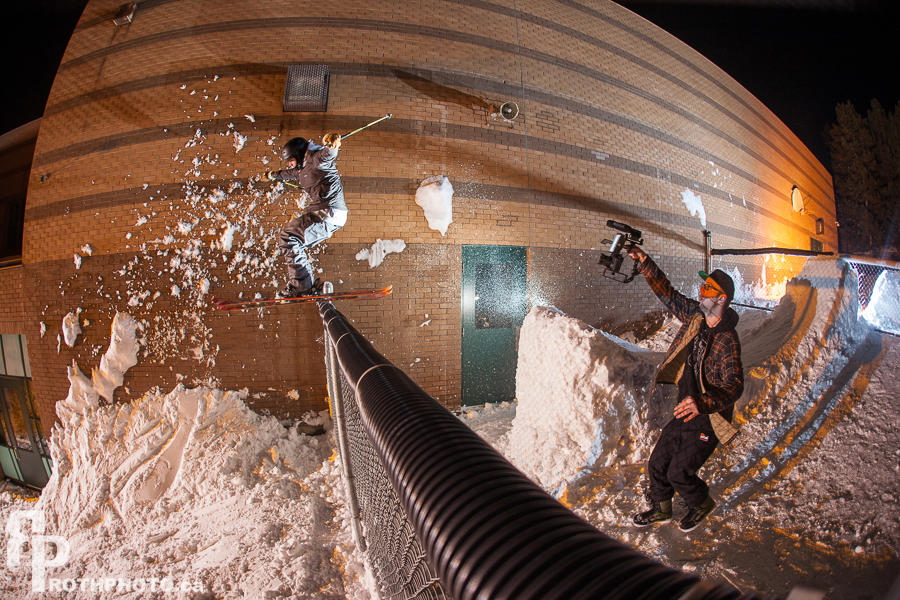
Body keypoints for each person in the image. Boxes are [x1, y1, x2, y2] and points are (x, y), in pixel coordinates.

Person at [627, 246, 743, 532]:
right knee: (657, 463)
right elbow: (668, 295)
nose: (701, 290)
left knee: (680, 472)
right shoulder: (696, 316)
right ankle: (662, 508)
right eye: (703, 286)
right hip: (684, 412)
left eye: (708, 288)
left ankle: (701, 503)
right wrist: (645, 263)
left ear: (721, 298)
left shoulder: (727, 339)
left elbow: (734, 386)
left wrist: (702, 403)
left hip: (706, 417)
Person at [265, 132, 347, 298]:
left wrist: (332, 146)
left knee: (288, 237)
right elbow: (291, 174)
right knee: (295, 243)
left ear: (298, 154)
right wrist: (272, 176)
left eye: (291, 160)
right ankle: (303, 283)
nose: (290, 164)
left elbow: (327, 155)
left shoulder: (315, 160)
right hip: (330, 214)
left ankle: (302, 285)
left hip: (327, 212)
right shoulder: (302, 169)